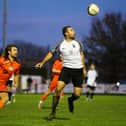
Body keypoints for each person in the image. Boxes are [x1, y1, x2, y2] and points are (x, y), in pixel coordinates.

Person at [35, 26, 86, 120]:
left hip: (78, 70)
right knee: (57, 90)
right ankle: (52, 113)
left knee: (77, 95)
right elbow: (51, 53)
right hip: (66, 69)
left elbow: (82, 55)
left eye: (73, 30)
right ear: (66, 33)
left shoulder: (78, 43)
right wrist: (42, 63)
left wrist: (84, 68)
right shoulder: (60, 44)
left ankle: (70, 100)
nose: (74, 32)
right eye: (71, 30)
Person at [0, 44, 21, 109]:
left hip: (3, 84)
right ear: (9, 52)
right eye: (14, 50)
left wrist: (16, 82)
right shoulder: (2, 60)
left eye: (17, 50)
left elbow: (16, 74)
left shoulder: (17, 64)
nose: (16, 52)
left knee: (5, 99)